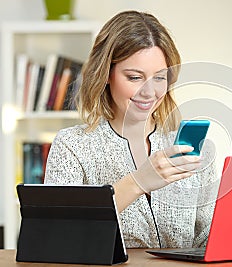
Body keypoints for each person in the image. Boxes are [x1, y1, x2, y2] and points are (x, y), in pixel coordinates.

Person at [44, 10, 218, 249]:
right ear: (106, 74)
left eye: (159, 78)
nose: (149, 92)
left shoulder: (196, 149)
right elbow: (57, 237)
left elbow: (209, 240)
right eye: (135, 77)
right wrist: (137, 183)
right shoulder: (73, 146)